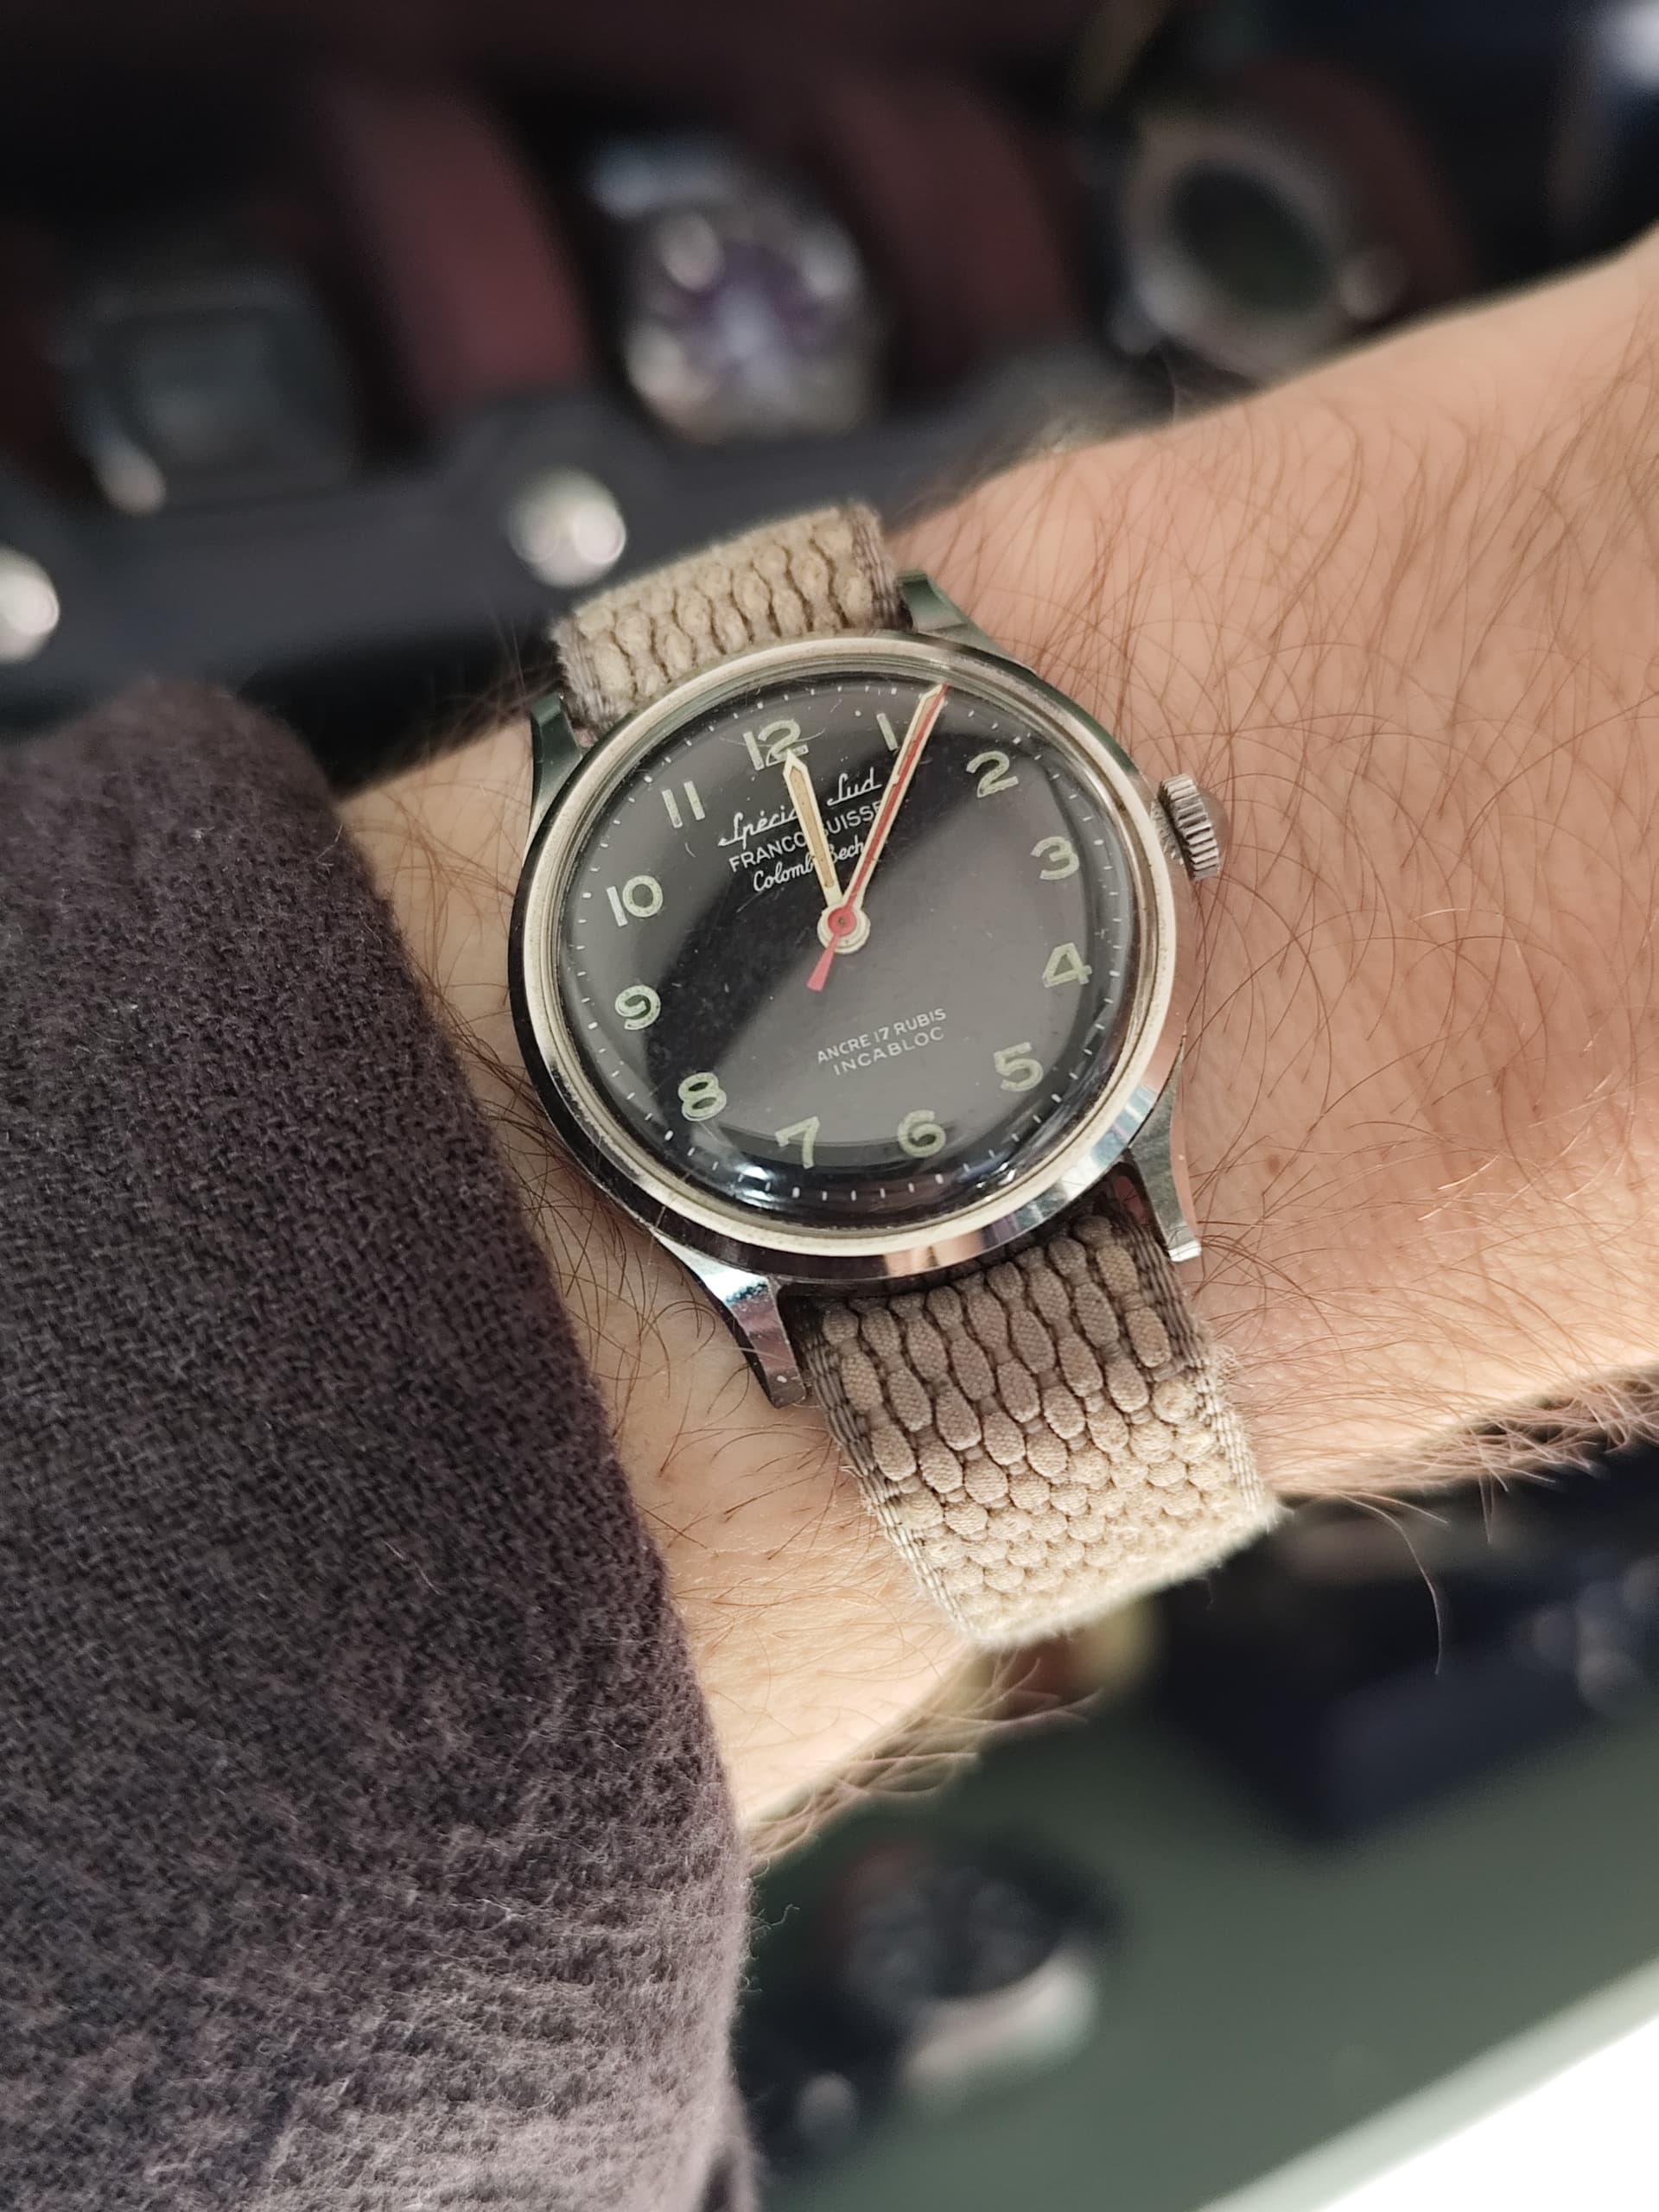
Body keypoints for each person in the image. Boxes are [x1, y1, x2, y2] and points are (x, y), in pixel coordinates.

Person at [6, 232, 1659, 2209]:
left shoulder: (1061, 939)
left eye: (859, 908)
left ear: (1170, 829)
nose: (849, 931)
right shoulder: (743, 1202)